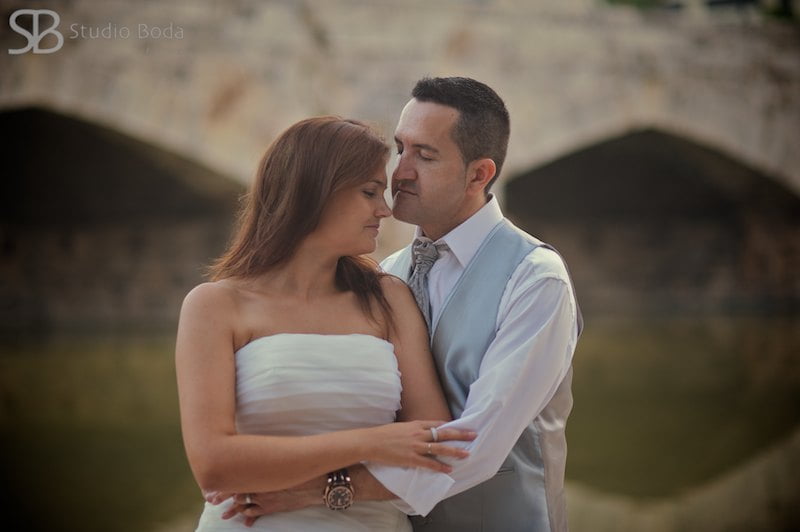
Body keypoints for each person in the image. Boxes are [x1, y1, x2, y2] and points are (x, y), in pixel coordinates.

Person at [227, 77, 583, 531]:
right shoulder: (386, 274)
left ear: (479, 175)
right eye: (401, 148)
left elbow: (475, 446)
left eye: (425, 156)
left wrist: (321, 490)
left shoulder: (535, 279)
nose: (400, 173)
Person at [175, 115, 477, 532]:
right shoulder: (214, 305)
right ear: (313, 192)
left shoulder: (388, 298)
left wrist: (329, 487)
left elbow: (434, 452)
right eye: (369, 192)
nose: (385, 209)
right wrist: (372, 442)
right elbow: (213, 465)